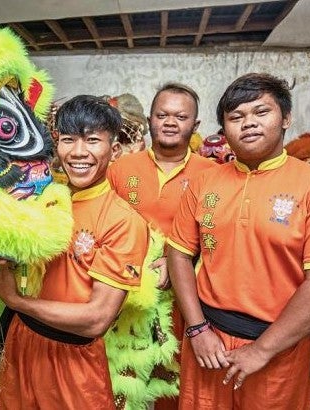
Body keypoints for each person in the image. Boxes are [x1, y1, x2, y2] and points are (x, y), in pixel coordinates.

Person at [167, 72, 310, 409]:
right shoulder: (203, 183)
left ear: (285, 117)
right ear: (223, 128)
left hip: (280, 349)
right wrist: (197, 329)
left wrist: (263, 349)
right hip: (207, 342)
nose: (248, 124)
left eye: (261, 112)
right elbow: (179, 253)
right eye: (236, 117)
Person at [0, 95, 149, 409]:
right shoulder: (44, 201)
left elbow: (96, 319)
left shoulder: (123, 221)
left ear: (114, 150)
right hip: (21, 342)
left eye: (92, 140)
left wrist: (15, 300)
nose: (78, 153)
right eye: (68, 140)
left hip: (73, 360)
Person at [107, 82, 217, 408]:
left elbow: (218, 240)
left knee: (174, 385)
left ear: (195, 126)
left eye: (180, 116)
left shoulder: (213, 175)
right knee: (123, 384)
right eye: (162, 114)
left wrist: (177, 260)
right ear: (150, 120)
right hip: (127, 297)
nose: (170, 122)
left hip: (185, 301)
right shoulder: (120, 169)